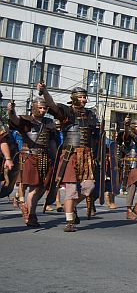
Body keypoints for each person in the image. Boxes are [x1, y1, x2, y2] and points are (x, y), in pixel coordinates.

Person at [39, 85, 99, 231]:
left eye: (85, 97)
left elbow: (96, 138)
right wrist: (45, 92)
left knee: (89, 186)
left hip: (86, 156)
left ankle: (72, 207)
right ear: (74, 98)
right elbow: (52, 105)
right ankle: (69, 221)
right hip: (70, 155)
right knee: (71, 189)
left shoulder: (90, 114)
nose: (84, 99)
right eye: (80, 97)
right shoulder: (66, 112)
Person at [7, 97, 57, 227]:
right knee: (33, 187)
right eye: (40, 108)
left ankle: (29, 211)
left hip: (45, 157)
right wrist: (11, 111)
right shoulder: (26, 121)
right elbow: (15, 120)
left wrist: (55, 157)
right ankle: (31, 214)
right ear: (34, 107)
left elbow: (52, 142)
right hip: (29, 156)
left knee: (41, 187)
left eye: (45, 108)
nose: (43, 110)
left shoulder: (49, 122)